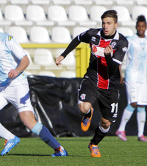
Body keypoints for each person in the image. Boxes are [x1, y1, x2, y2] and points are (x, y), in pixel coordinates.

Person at [0, 9, 68, 157]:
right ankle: (10, 138)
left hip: (17, 84)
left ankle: (59, 149)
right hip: (1, 87)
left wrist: (16, 71)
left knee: (28, 121)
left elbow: (25, 60)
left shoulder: (7, 39)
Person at [56, 10, 128, 157]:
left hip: (110, 86)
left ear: (116, 24)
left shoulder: (122, 42)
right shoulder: (93, 34)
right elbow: (77, 38)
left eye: (109, 23)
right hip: (92, 79)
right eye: (103, 23)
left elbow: (114, 68)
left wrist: (108, 56)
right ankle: (88, 113)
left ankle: (93, 144)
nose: (105, 26)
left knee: (106, 123)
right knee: (83, 107)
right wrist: (64, 54)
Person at [116, 15, 147, 142]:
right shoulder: (130, 40)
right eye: (139, 26)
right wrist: (119, 73)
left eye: (143, 26)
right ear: (136, 27)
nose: (141, 28)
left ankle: (141, 134)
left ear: (146, 27)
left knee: (142, 105)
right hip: (131, 75)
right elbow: (120, 57)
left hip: (142, 78)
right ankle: (121, 129)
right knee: (133, 103)